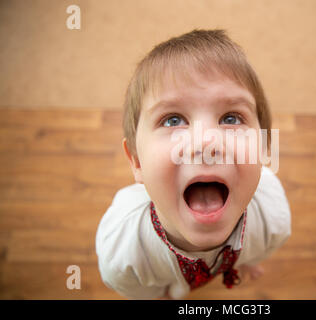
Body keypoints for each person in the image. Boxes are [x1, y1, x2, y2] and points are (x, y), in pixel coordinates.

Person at [95, 29, 291, 299]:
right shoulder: (124, 254)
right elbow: (134, 289)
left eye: (231, 118)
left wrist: (248, 259)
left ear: (264, 150)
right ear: (137, 161)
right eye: (173, 120)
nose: (206, 144)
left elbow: (265, 245)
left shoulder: (272, 218)